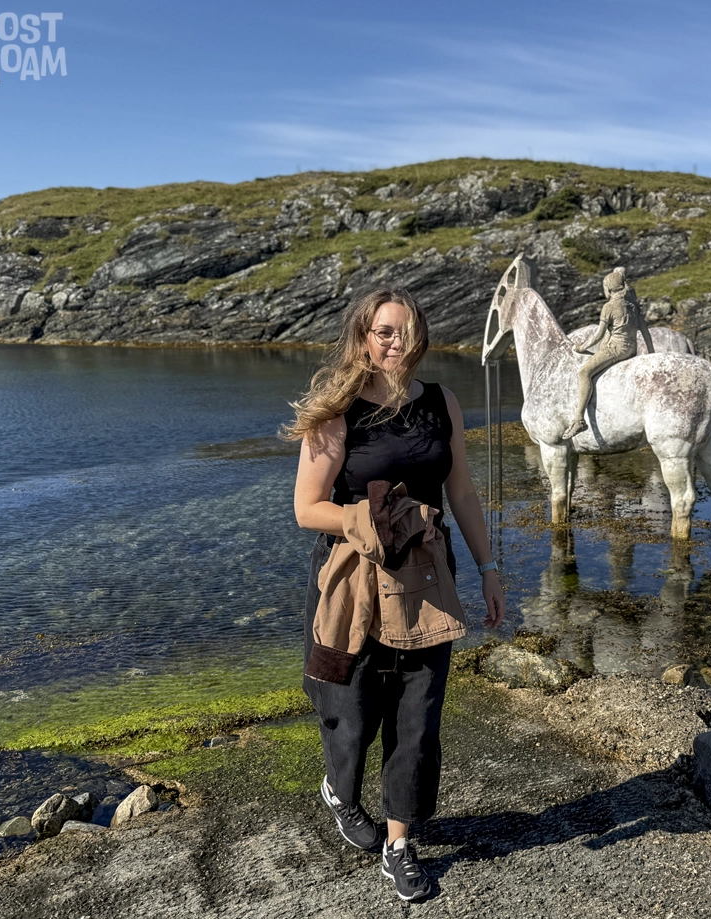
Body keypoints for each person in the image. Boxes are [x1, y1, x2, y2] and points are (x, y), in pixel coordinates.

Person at [286, 287, 506, 901]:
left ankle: (400, 843)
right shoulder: (338, 410)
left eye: (406, 331)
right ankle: (340, 789)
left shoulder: (442, 403)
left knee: (417, 715)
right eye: (384, 331)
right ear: (363, 336)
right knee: (351, 712)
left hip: (429, 582)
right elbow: (308, 509)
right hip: (352, 582)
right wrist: (364, 519)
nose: (396, 342)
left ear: (421, 337)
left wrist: (489, 569)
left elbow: (460, 491)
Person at [561, 267, 654, 440]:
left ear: (608, 288)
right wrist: (651, 353)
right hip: (631, 349)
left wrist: (582, 347)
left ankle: (579, 419)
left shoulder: (609, 306)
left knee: (584, 372)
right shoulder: (633, 306)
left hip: (614, 349)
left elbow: (598, 335)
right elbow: (646, 332)